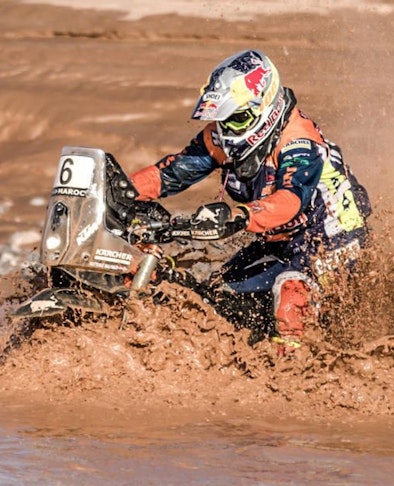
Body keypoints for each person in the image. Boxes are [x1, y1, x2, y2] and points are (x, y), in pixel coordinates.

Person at [129, 49, 371, 355]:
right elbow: (171, 173)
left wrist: (240, 216)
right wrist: (122, 191)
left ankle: (297, 368)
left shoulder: (298, 142)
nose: (227, 130)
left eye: (237, 119)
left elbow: (291, 199)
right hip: (281, 241)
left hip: (333, 240)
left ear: (266, 107)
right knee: (215, 295)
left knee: (291, 294)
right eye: (222, 120)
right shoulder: (222, 137)